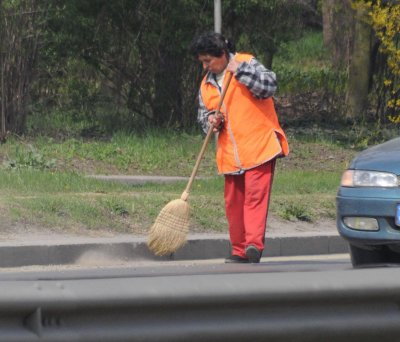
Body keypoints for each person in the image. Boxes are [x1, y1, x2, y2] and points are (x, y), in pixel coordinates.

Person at [189, 32, 289, 263]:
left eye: (208, 61)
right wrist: (213, 121)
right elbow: (204, 117)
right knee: (233, 204)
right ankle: (239, 250)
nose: (205, 67)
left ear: (222, 55)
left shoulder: (246, 62)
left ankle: (253, 246)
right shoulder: (206, 85)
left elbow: (269, 85)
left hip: (259, 146)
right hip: (230, 155)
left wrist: (241, 71)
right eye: (202, 62)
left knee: (254, 198)